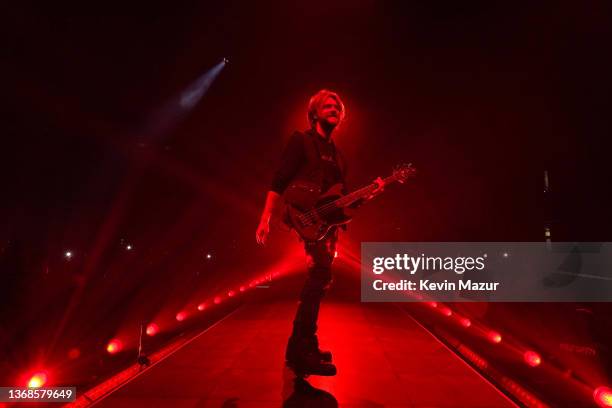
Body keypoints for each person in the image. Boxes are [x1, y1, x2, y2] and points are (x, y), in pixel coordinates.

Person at [255, 89, 383, 376]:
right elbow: (279, 180)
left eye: (337, 105)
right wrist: (266, 216)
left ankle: (300, 347)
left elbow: (342, 199)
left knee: (321, 280)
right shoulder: (301, 141)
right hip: (305, 218)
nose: (334, 107)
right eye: (327, 104)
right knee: (319, 277)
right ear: (314, 112)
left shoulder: (338, 156)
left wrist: (369, 193)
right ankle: (303, 350)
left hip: (327, 226)